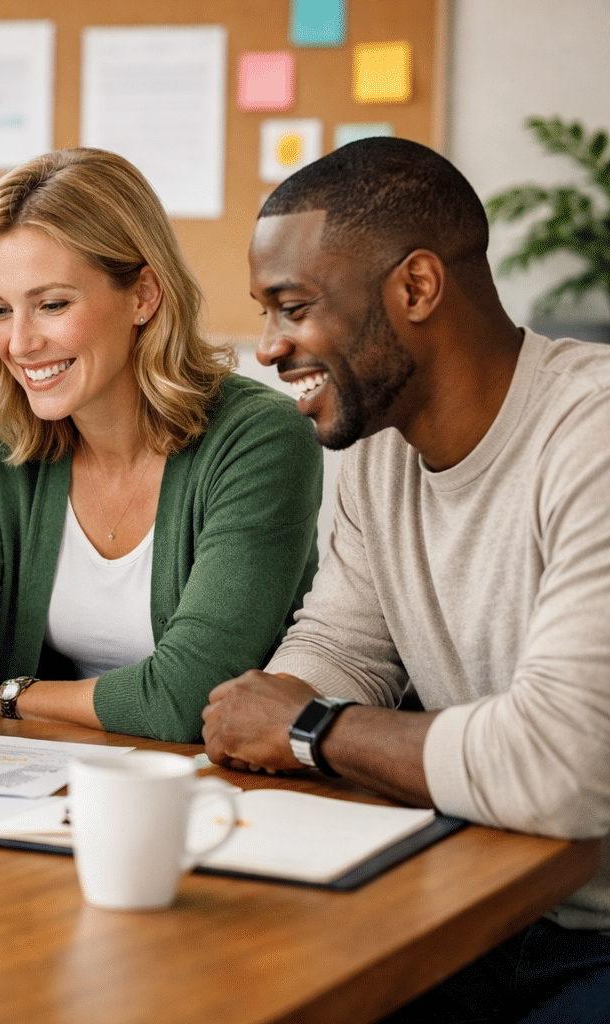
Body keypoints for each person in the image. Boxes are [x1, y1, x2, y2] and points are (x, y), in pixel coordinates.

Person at [202, 137, 610, 1022]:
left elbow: (562, 765)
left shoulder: (592, 439)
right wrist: (268, 709)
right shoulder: (380, 450)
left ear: (417, 287)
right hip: (478, 901)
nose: (266, 348)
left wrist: (309, 728)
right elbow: (343, 647)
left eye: (293, 307)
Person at [0, 148, 322, 742]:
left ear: (144, 295)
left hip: (215, 780)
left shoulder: (260, 439)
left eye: (52, 305)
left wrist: (5, 700)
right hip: (43, 772)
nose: (20, 343)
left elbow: (188, 697)